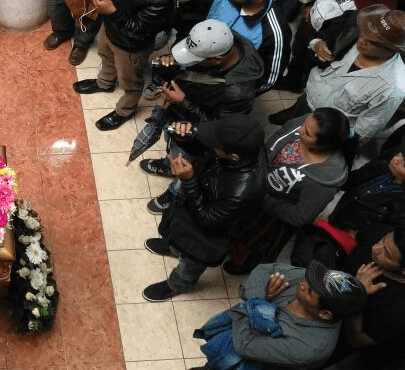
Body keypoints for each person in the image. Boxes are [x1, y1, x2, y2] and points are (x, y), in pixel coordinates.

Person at [142, 115, 265, 301]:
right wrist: (185, 139)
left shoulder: (243, 190)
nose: (212, 145)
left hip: (205, 237)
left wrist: (189, 181)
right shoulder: (242, 147)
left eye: (217, 144)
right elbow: (207, 151)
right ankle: (175, 248)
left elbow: (206, 220)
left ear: (234, 156)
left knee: (190, 264)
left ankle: (177, 284)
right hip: (194, 211)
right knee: (181, 239)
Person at [223, 108, 355, 275]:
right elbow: (277, 138)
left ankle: (241, 264)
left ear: (323, 145)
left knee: (251, 242)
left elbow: (300, 216)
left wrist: (264, 200)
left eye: (307, 133)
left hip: (272, 215)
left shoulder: (323, 181)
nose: (300, 129)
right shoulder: (307, 123)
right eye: (305, 123)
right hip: (256, 189)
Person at [75, 0, 175, 131]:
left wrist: (112, 12)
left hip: (132, 46)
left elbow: (138, 31)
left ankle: (124, 111)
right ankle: (105, 83)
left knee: (131, 82)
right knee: (105, 55)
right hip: (111, 26)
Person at [271, 5, 405, 142]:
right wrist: (317, 43)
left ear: (392, 49)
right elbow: (322, 35)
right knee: (284, 137)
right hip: (306, 99)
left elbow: (363, 131)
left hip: (324, 131)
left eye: (373, 42)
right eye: (364, 33)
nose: (362, 40)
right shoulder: (353, 32)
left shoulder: (392, 88)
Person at [194, 261, 366, 370]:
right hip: (233, 341)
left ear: (325, 314)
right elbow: (264, 269)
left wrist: (259, 304)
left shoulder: (310, 347)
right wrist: (260, 301)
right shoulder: (314, 283)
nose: (303, 283)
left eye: (310, 290)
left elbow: (245, 345)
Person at [278, 0, 405, 91]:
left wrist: (324, 47)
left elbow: (354, 45)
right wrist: (311, 3)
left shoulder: (382, 11)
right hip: (308, 26)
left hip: (324, 51)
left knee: (310, 77)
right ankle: (292, 81)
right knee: (297, 56)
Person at [138, 20, 262, 159]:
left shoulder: (238, 95)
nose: (190, 60)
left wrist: (182, 102)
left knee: (181, 155)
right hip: (180, 110)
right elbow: (189, 69)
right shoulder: (214, 38)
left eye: (194, 58)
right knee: (171, 141)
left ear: (216, 59)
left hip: (193, 131)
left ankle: (169, 166)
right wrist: (170, 63)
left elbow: (219, 130)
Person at [333, 222, 405, 366]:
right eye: (383, 240)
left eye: (387, 255)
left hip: (330, 333)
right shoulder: (385, 233)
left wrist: (357, 296)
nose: (376, 248)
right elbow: (356, 237)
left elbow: (357, 340)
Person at [194, 0, 291, 95]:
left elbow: (269, 79)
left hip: (223, 87)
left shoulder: (275, 32)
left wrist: (233, 94)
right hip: (198, 62)